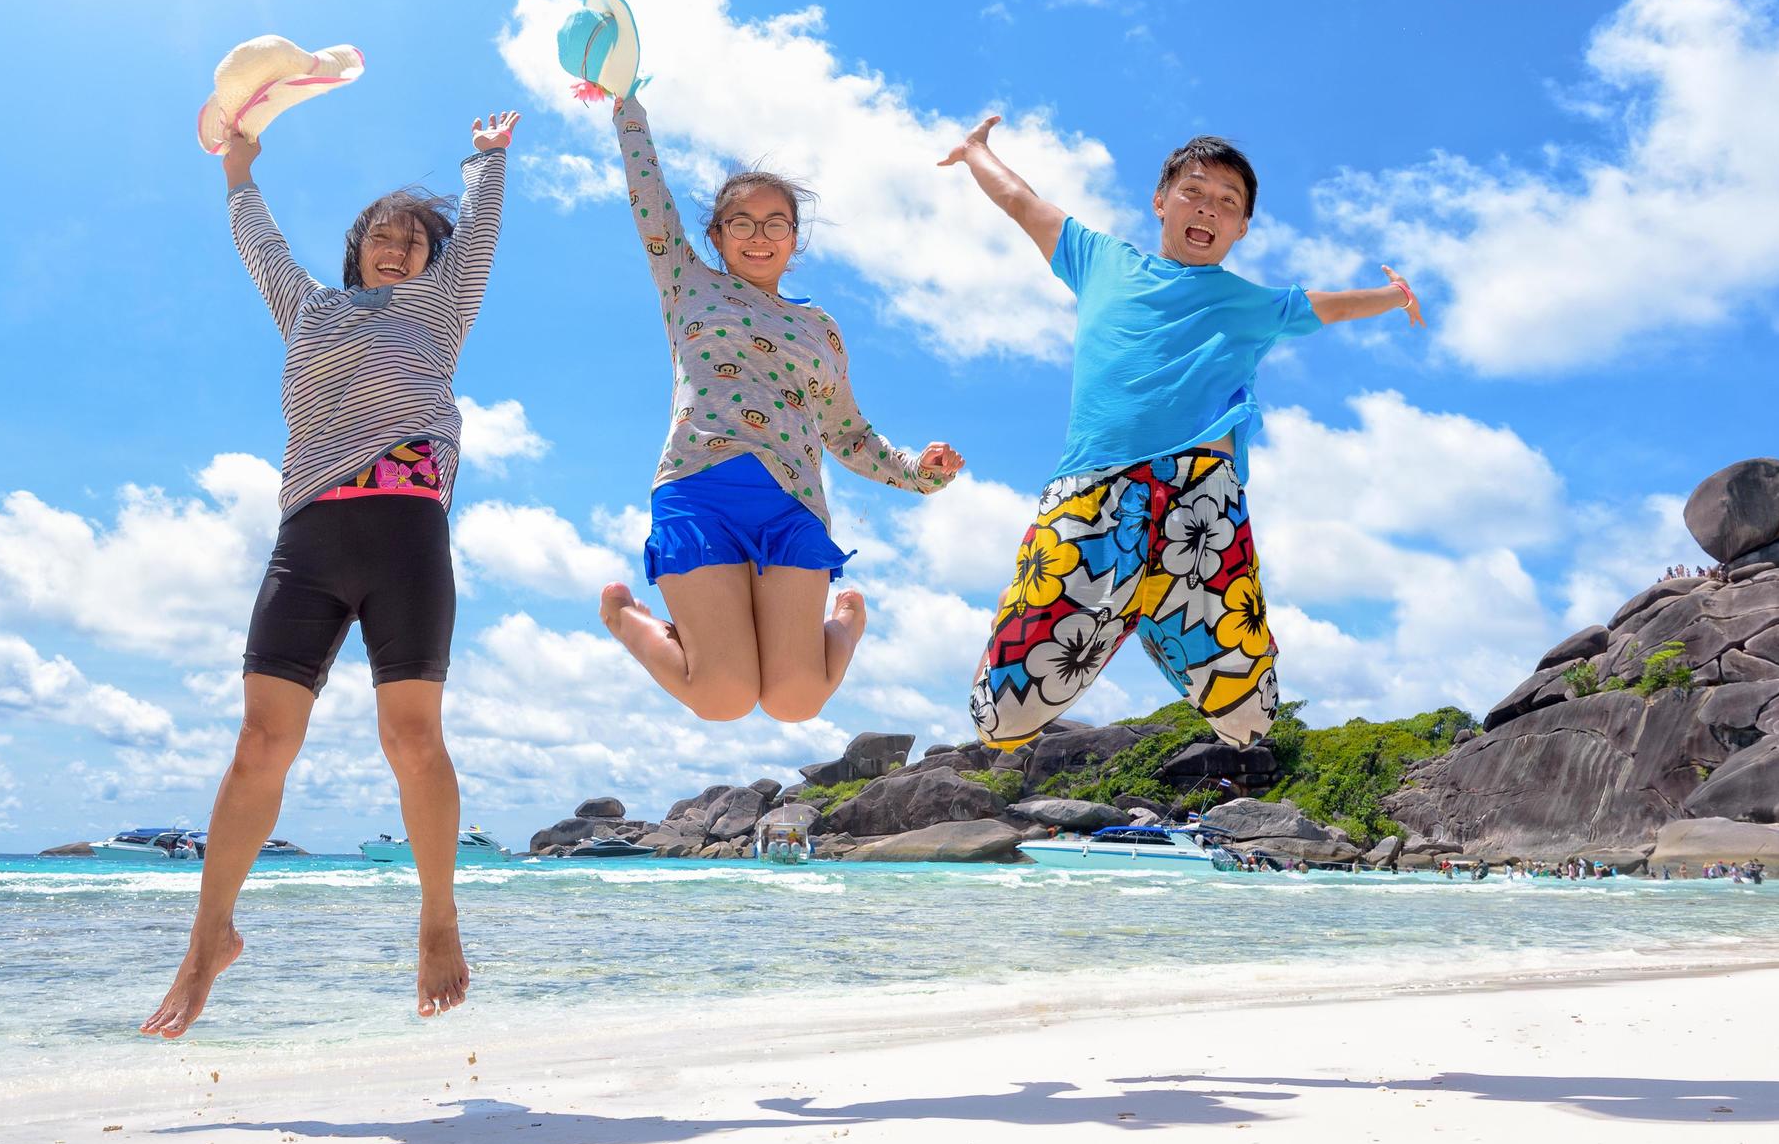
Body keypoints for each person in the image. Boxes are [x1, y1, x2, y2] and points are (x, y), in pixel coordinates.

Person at [142, 102, 519, 1037]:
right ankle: (206, 941)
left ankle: (438, 920)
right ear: (356, 249)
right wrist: (239, 168)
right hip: (309, 536)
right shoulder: (308, 306)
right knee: (259, 745)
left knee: (412, 739)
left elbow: (477, 239)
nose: (399, 251)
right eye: (383, 238)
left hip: (405, 536)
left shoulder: (440, 312)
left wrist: (485, 161)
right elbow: (260, 245)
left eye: (415, 242)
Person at [937, 117, 1423, 750]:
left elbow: (1330, 305)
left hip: (1201, 500)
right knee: (999, 722)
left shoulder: (1255, 305)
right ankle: (1118, 605)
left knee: (1250, 722)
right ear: (1161, 201)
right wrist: (976, 152)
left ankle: (1151, 612)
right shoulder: (1100, 260)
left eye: (1228, 203)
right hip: (1094, 490)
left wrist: (1394, 294)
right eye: (1194, 191)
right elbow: (1022, 203)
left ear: (1242, 227)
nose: (1209, 209)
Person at [596, 92, 963, 721]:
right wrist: (627, 106)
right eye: (742, 222)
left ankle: (846, 622)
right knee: (722, 697)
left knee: (795, 702)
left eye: (776, 223)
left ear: (795, 239)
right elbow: (648, 196)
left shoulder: (820, 327)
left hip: (791, 503)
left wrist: (919, 471)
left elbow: (849, 436)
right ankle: (627, 618)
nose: (758, 236)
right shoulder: (689, 285)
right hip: (699, 489)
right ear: (716, 234)